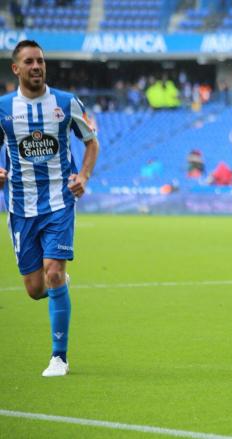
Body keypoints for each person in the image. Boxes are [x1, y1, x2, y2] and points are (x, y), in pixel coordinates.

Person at [0, 40, 99, 377]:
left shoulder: (66, 103)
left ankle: (59, 357)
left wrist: (83, 175)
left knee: (53, 272)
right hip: (20, 206)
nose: (37, 66)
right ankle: (57, 284)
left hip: (59, 201)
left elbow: (91, 140)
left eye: (40, 61)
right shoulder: (3, 109)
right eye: (29, 62)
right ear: (16, 68)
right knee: (35, 288)